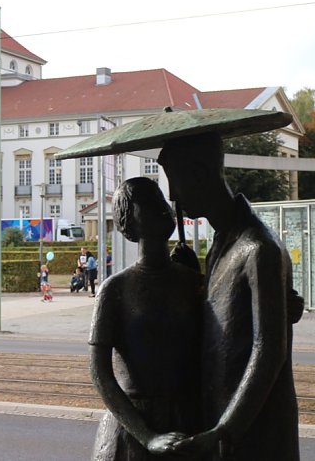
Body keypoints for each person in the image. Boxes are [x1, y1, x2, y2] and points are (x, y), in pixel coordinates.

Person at [158, 132, 300, 460]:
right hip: (225, 422)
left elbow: (269, 351)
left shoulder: (257, 248)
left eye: (174, 180)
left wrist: (226, 429)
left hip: (252, 432)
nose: (171, 194)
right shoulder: (223, 243)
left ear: (198, 174)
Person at [89, 177, 203, 460]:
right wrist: (147, 436)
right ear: (129, 221)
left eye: (161, 199)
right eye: (148, 202)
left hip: (187, 420)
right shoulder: (115, 289)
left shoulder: (191, 280)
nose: (161, 207)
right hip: (133, 429)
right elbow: (100, 373)